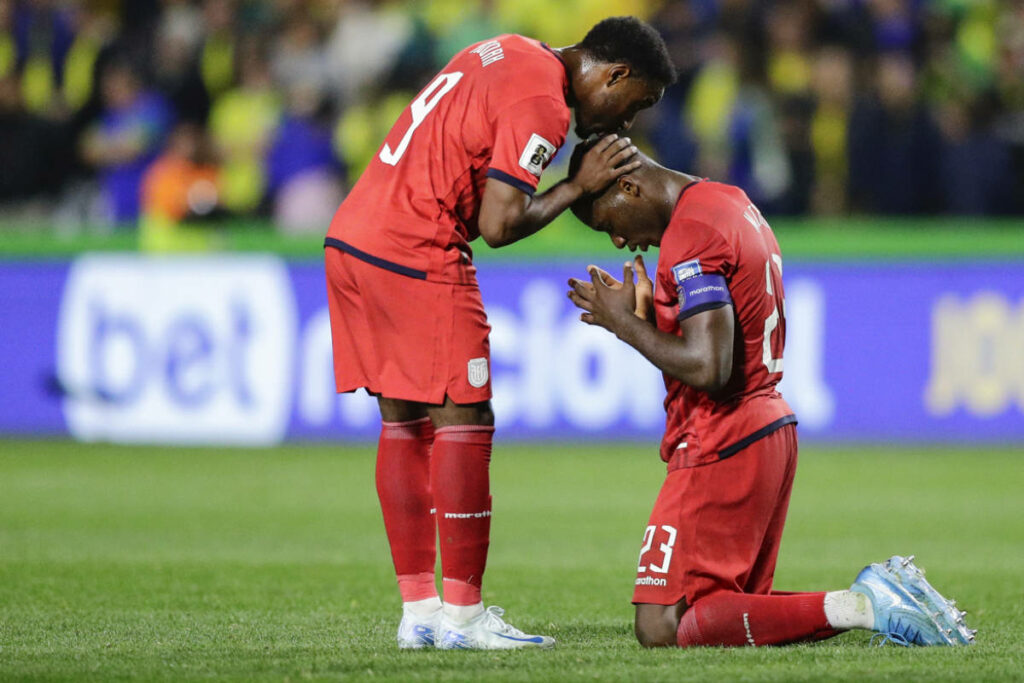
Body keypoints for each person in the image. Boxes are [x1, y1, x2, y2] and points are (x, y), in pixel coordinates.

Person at [323, 17, 676, 650]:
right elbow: (500, 224)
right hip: (415, 247)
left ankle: (421, 613)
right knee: (466, 416)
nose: (627, 122)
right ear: (615, 73)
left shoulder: (511, 50)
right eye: (637, 101)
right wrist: (578, 186)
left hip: (355, 234)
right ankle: (463, 617)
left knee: (403, 421)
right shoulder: (544, 103)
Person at [565, 144, 976, 648]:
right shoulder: (727, 201)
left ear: (629, 187)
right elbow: (726, 333)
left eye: (610, 222)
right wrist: (658, 320)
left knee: (661, 625)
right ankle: (873, 604)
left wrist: (625, 325)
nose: (619, 239)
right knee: (721, 614)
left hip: (722, 435)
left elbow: (710, 367)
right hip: (765, 429)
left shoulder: (690, 233)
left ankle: (867, 604)